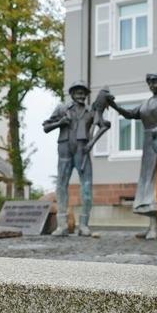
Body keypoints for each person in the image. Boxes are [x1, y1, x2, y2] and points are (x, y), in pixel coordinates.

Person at [108, 73, 157, 240]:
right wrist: (113, 105)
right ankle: (150, 227)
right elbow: (130, 114)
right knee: (146, 180)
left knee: (154, 181)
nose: (152, 85)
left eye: (155, 81)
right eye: (150, 82)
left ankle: (155, 228)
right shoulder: (147, 102)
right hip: (147, 143)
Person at [43, 81, 109, 236]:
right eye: (78, 92)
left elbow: (104, 125)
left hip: (82, 151)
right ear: (71, 94)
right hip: (65, 150)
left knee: (86, 189)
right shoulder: (62, 109)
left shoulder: (91, 112)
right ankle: (62, 225)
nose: (81, 95)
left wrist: (91, 143)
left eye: (83, 93)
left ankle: (84, 225)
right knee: (61, 186)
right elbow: (46, 127)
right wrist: (60, 122)